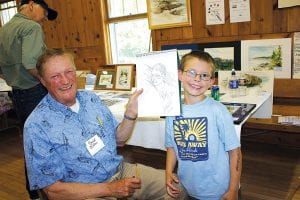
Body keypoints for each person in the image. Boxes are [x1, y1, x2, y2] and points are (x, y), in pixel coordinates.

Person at [23, 48, 187, 200]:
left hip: (119, 171)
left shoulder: (91, 99)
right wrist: (110, 189)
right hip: (85, 191)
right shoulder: (36, 125)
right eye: (55, 76)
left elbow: (119, 139)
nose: (65, 80)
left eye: (68, 72)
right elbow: (52, 191)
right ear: (43, 81)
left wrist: (130, 114)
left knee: (179, 189)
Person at [165, 51, 242, 200]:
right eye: (191, 72)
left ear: (211, 81)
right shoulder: (172, 112)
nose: (197, 79)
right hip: (188, 186)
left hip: (218, 190)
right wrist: (168, 172)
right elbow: (171, 147)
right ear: (180, 74)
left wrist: (233, 190)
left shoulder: (218, 111)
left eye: (204, 75)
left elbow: (235, 153)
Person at [0, 1, 57, 199]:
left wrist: (13, 79)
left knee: (31, 145)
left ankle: (34, 193)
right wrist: (51, 84)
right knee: (49, 143)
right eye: (45, 13)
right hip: (35, 92)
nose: (45, 19)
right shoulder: (31, 27)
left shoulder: (5, 29)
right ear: (31, 5)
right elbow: (32, 64)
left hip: (18, 94)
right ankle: (51, 192)